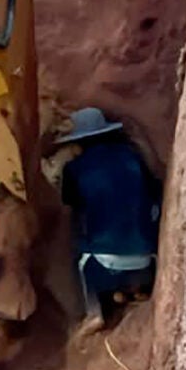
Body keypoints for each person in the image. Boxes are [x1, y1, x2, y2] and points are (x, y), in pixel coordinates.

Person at [54, 108, 162, 335]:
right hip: (148, 256)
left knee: (80, 255)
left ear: (79, 142)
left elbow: (70, 208)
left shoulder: (75, 168)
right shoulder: (133, 156)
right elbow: (154, 189)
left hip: (105, 262)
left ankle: (95, 312)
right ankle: (134, 289)